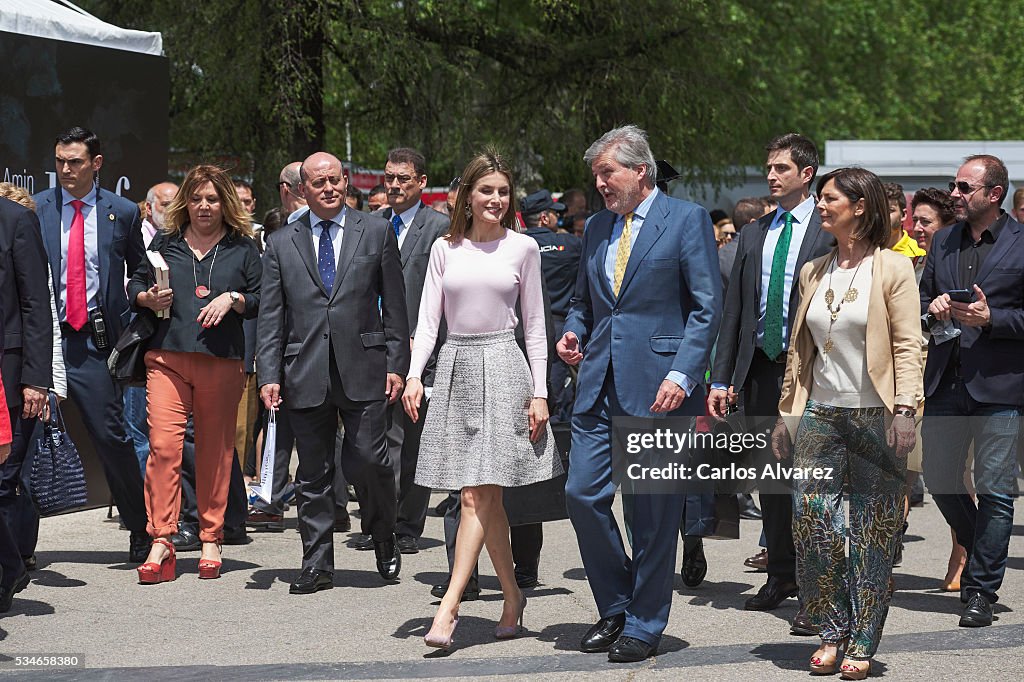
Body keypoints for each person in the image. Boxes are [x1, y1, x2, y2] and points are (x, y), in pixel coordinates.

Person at [556, 125, 721, 662]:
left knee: (651, 514)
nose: (600, 183)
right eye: (598, 175)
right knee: (582, 495)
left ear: (640, 171)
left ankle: (645, 623)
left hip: (659, 389)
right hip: (598, 383)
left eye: (608, 172)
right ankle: (617, 604)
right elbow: (586, 300)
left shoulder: (687, 219)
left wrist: (682, 375)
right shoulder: (599, 225)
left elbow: (705, 307)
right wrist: (574, 330)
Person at [403, 149, 561, 650]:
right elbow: (429, 321)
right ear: (466, 196)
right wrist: (413, 376)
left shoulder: (524, 249)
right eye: (485, 190)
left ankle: (447, 608)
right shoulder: (444, 248)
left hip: (505, 368)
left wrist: (540, 391)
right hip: (454, 369)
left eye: (502, 191)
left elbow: (535, 327)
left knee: (476, 495)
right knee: (484, 499)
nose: (495, 199)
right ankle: (512, 595)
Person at [773, 167, 921, 679]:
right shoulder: (814, 270)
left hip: (876, 415)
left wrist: (906, 410)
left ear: (859, 206)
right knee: (813, 524)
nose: (820, 205)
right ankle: (831, 628)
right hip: (820, 414)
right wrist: (786, 416)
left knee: (872, 529)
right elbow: (799, 354)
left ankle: (861, 641)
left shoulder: (894, 269)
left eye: (828, 197)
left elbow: (907, 346)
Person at [258, 151, 409, 594]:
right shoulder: (282, 242)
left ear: (346, 182)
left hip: (365, 367)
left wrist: (397, 364)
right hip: (303, 371)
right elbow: (272, 315)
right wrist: (269, 373)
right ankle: (317, 562)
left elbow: (395, 307)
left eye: (334, 180)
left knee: (369, 460)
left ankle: (383, 535)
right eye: (317, 183)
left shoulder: (376, 231)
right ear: (302, 190)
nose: (327, 188)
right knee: (313, 473)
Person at [709, 133, 835, 636]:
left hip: (810, 369)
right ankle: (781, 574)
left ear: (807, 174)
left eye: (782, 168)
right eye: (769, 167)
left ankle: (817, 586)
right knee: (774, 479)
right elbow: (734, 311)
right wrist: (723, 377)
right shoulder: (755, 233)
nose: (772, 175)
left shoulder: (828, 231)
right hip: (759, 369)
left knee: (813, 481)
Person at [128, 165, 261, 582]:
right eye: (198, 198)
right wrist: (146, 296)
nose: (205, 207)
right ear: (186, 201)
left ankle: (210, 536)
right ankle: (162, 539)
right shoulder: (164, 244)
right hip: (166, 358)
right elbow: (133, 284)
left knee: (215, 453)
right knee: (164, 447)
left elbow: (261, 297)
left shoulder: (243, 248)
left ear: (225, 204)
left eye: (213, 199)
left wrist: (234, 297)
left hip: (221, 360)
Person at [32, 126, 149, 563]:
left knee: (112, 437)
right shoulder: (37, 208)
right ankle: (19, 548)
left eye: (75, 161)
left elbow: (138, 270)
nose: (65, 169)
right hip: (43, 338)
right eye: (60, 161)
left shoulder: (121, 212)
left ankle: (140, 530)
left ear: (96, 164)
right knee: (23, 444)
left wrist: (143, 295)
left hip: (93, 344)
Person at [920, 154, 1024, 628]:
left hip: (1001, 386)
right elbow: (920, 303)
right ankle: (983, 542)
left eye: (965, 187)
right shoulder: (943, 241)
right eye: (954, 186)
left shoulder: (1022, 243)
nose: (955, 195)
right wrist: (934, 307)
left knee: (995, 490)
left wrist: (993, 319)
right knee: (940, 480)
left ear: (994, 194)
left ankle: (981, 588)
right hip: (946, 379)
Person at [371, 147, 450, 555]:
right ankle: (379, 520)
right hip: (375, 345)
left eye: (403, 178)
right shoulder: (370, 224)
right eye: (389, 178)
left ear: (421, 182)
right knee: (372, 440)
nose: (395, 185)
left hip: (422, 346)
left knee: (412, 439)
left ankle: (407, 525)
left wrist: (428, 336)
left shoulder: (439, 226)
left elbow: (445, 290)